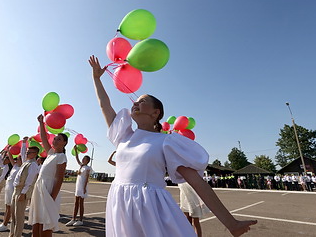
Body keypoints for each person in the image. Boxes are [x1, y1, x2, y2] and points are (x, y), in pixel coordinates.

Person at [89, 55, 257, 237]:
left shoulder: (167, 142)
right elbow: (103, 105)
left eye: (142, 101)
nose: (136, 103)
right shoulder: (123, 135)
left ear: (156, 113)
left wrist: (231, 223)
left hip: (150, 208)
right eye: (136, 102)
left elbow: (198, 184)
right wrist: (96, 79)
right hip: (119, 204)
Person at [28, 115, 67, 237]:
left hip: (49, 190)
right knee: (37, 220)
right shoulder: (50, 153)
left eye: (59, 139)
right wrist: (41, 123)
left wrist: (52, 197)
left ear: (65, 143)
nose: (55, 140)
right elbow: (44, 139)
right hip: (39, 188)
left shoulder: (62, 157)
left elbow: (59, 178)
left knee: (46, 223)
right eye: (55, 138)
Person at [9, 143, 39, 237]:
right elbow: (22, 153)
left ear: (35, 154)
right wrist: (24, 143)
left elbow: (29, 181)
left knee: (19, 216)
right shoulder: (26, 162)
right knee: (13, 214)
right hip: (16, 189)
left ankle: (17, 235)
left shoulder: (33, 164)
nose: (26, 153)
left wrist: (23, 193)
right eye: (27, 152)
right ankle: (12, 234)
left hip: (22, 191)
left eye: (29, 152)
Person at [0, 144, 24, 233]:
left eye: (18, 158)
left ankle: (5, 224)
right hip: (8, 189)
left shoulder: (22, 167)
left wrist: (24, 144)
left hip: (13, 190)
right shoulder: (15, 166)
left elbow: (23, 156)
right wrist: (8, 150)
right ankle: (4, 224)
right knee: (7, 207)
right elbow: (7, 158)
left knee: (10, 208)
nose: (16, 160)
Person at [66, 151, 92, 226]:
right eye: (83, 158)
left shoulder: (88, 168)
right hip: (78, 185)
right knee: (76, 202)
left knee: (81, 203)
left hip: (82, 186)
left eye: (85, 159)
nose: (83, 160)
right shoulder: (81, 166)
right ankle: (73, 219)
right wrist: (76, 151)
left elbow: (87, 178)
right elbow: (77, 159)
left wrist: (84, 188)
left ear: (87, 161)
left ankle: (80, 220)